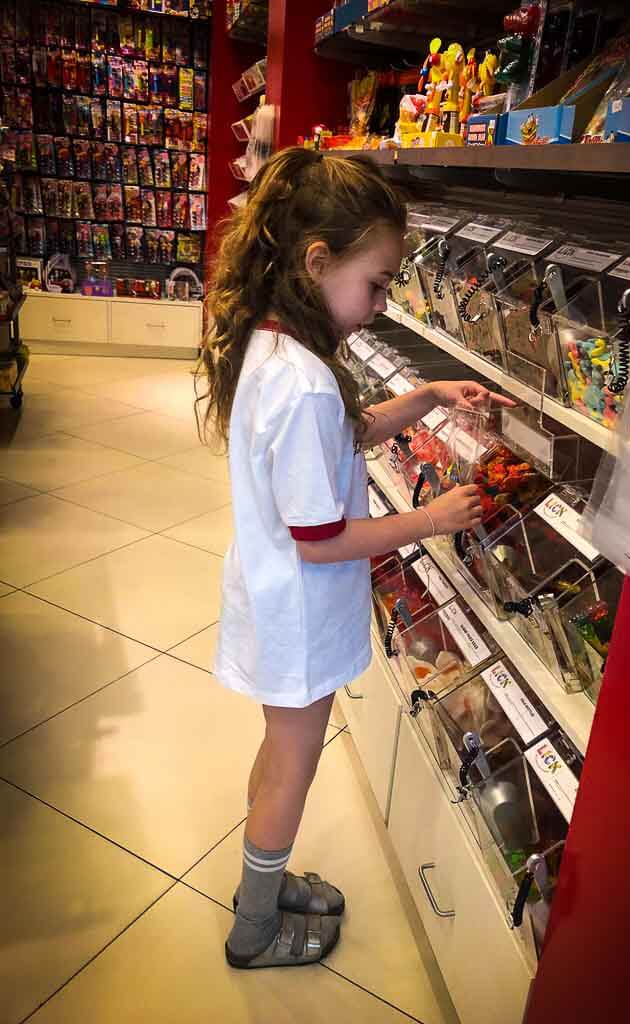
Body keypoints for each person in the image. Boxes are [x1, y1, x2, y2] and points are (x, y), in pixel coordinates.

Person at [196, 146, 515, 970]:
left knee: (278, 755)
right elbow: (322, 538)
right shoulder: (302, 381)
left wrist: (430, 395)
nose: (379, 304)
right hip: (295, 611)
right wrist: (428, 518)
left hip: (272, 599)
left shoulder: (279, 351)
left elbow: (352, 433)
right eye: (376, 284)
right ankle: (257, 931)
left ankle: (258, 886)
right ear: (317, 262)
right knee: (294, 768)